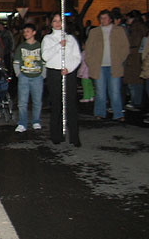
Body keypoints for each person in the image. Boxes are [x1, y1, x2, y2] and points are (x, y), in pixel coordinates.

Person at [41, 13, 82, 146]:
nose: (58, 24)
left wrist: (69, 68)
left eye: (60, 21)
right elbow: (45, 56)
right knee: (57, 104)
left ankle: (74, 137)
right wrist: (59, 45)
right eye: (55, 21)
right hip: (54, 73)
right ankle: (56, 136)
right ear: (51, 23)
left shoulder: (70, 38)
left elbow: (77, 56)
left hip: (68, 73)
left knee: (71, 105)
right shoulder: (47, 39)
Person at [85, 9, 129, 121]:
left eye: (105, 18)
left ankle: (118, 113)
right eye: (101, 18)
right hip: (99, 66)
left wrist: (119, 59)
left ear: (110, 19)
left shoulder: (119, 30)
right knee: (100, 91)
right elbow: (89, 49)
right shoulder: (94, 32)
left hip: (114, 66)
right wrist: (91, 62)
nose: (103, 20)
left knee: (115, 91)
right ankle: (100, 113)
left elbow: (125, 47)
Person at [13, 23, 44, 132]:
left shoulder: (40, 46)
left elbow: (44, 61)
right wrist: (19, 74)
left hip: (37, 77)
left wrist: (42, 74)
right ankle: (22, 122)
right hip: (24, 77)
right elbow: (16, 62)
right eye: (24, 31)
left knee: (37, 101)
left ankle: (36, 121)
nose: (26, 33)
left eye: (28, 31)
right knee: (22, 101)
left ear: (34, 33)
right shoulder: (21, 47)